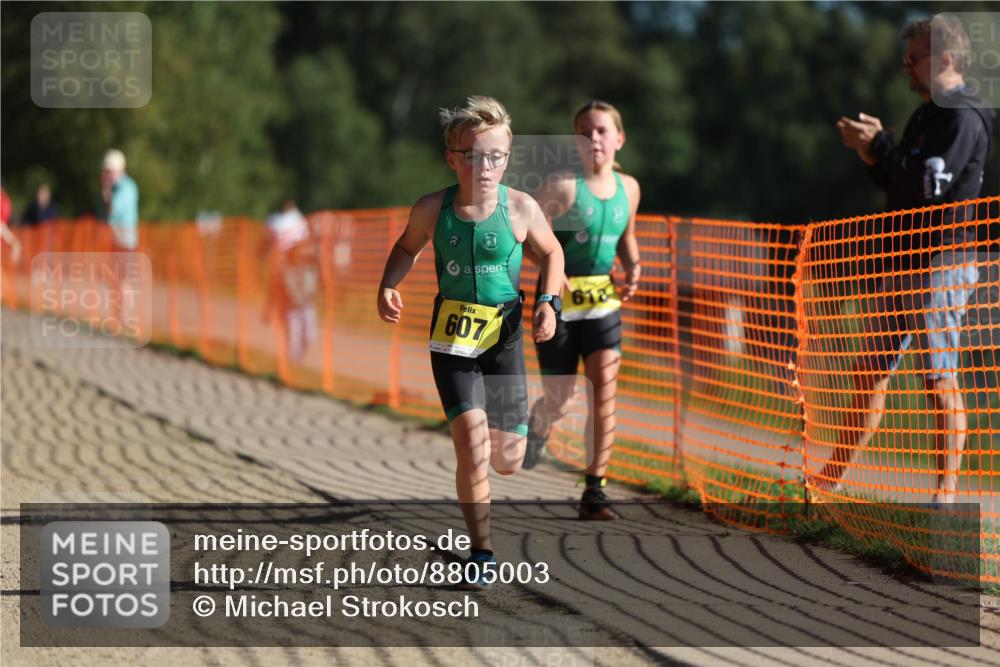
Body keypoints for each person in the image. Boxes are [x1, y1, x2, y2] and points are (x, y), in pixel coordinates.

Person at [376, 96, 564, 588]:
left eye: (496, 156)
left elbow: (553, 253)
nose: (485, 167)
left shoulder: (520, 208)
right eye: (474, 156)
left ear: (508, 157)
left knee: (507, 461)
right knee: (473, 448)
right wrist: (388, 284)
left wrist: (549, 301)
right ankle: (481, 553)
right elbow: (404, 248)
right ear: (453, 158)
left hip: (503, 339)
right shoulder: (432, 209)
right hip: (453, 343)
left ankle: (531, 423)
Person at [816, 16, 995, 504]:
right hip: (904, 259)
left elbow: (928, 186)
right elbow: (901, 182)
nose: (905, 67)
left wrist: (880, 146)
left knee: (938, 378)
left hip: (942, 262)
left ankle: (946, 495)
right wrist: (873, 155)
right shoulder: (926, 114)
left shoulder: (963, 115)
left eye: (913, 58)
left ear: (946, 59)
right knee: (869, 369)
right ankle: (829, 481)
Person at [520, 100, 642, 521]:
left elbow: (626, 234)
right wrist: (554, 271)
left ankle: (595, 489)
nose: (594, 139)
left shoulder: (630, 188)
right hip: (558, 307)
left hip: (603, 306)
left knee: (604, 391)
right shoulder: (562, 187)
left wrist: (634, 265)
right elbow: (524, 236)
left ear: (619, 139)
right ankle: (540, 420)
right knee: (562, 400)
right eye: (585, 133)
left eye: (602, 131)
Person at [261, 199, 317, 364]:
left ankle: (297, 353)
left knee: (304, 324)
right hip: (284, 271)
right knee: (292, 317)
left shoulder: (282, 222)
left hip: (292, 273)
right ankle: (294, 358)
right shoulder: (293, 222)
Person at [98, 149, 140, 251]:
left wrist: (106, 190)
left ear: (118, 170)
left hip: (123, 244)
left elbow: (112, 210)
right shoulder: (116, 188)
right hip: (115, 243)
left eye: (108, 171)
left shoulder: (126, 188)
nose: (105, 175)